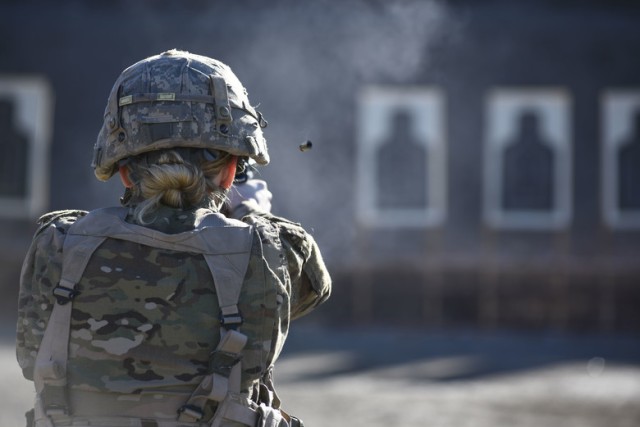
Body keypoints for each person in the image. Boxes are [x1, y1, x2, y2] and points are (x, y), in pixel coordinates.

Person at [16, 49, 331, 427]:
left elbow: (31, 356)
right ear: (230, 173)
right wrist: (252, 216)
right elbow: (313, 290)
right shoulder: (270, 252)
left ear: (125, 172)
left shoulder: (58, 247)